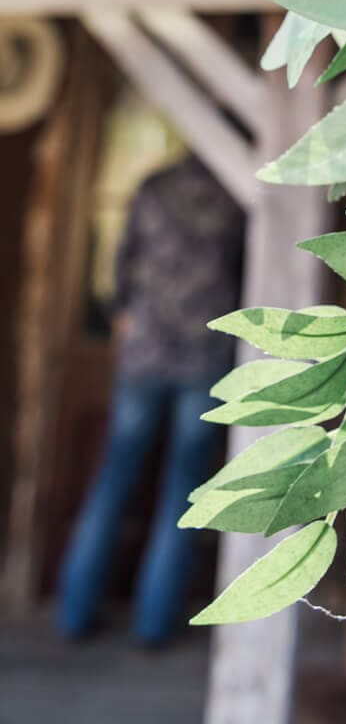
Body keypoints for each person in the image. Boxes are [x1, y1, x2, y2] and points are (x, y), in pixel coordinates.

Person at [55, 154, 245, 645]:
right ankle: (155, 626)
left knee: (114, 478)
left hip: (144, 351)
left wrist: (124, 313)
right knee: (184, 490)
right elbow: (248, 282)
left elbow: (122, 263)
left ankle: (75, 615)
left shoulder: (153, 185)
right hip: (206, 354)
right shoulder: (238, 195)